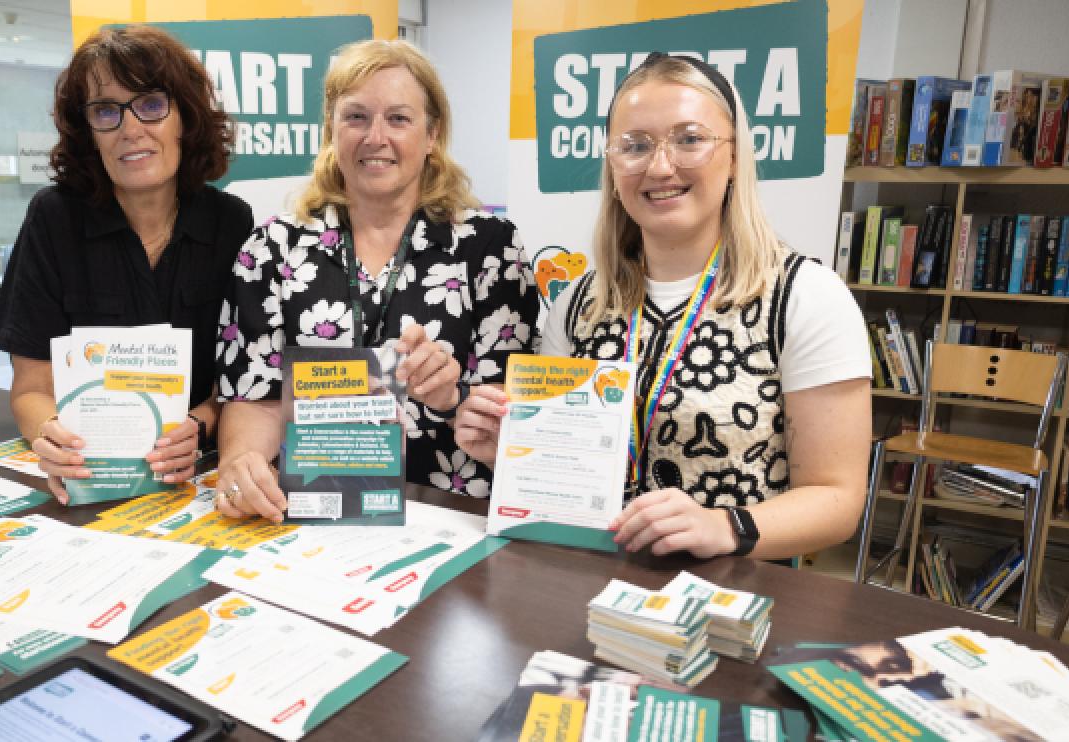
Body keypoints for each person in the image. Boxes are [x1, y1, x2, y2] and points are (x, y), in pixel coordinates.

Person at [454, 54, 871, 561]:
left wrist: (724, 527)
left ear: (735, 155)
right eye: (635, 146)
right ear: (613, 164)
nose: (659, 166)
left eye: (689, 139)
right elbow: (562, 471)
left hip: (725, 602)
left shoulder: (803, 296)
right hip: (584, 582)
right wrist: (510, 453)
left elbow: (837, 499)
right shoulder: (579, 304)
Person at [213, 40, 539, 523]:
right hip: (311, 509)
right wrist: (242, 462)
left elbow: (517, 413)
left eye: (399, 119)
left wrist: (455, 397)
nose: (375, 137)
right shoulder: (273, 249)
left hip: (449, 515)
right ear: (332, 129)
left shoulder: (490, 248)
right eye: (356, 117)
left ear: (432, 135)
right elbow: (254, 396)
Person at [0, 25, 254, 503]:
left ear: (185, 119)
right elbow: (29, 388)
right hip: (89, 479)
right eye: (106, 111)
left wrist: (199, 424)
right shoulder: (54, 219)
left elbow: (238, 384)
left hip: (195, 480)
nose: (131, 128)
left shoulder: (230, 223)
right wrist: (50, 436)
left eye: (151, 104)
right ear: (88, 132)